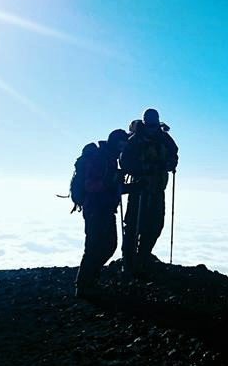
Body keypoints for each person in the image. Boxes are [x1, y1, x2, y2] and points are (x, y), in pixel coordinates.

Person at [120, 108, 178, 277]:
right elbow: (125, 162)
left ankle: (143, 256)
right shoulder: (135, 140)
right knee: (133, 225)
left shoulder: (164, 138)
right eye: (150, 125)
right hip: (139, 189)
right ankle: (129, 262)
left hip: (157, 188)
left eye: (154, 124)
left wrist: (170, 163)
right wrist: (142, 170)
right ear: (145, 123)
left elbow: (174, 154)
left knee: (155, 225)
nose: (152, 128)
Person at [74, 129, 128, 298]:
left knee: (107, 246)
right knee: (95, 247)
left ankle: (89, 282)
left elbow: (111, 186)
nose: (122, 148)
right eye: (121, 145)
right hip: (96, 209)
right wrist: (112, 182)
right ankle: (84, 286)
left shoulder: (110, 158)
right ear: (115, 143)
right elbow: (91, 185)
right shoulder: (101, 159)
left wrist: (125, 186)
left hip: (104, 209)